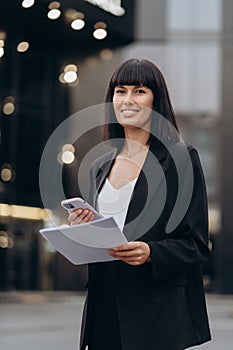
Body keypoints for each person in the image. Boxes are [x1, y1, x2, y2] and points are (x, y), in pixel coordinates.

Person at [68, 58, 211, 350]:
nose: (128, 99)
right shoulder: (100, 165)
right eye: (120, 91)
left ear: (156, 101)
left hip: (154, 313)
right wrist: (83, 228)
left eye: (139, 91)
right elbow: (105, 235)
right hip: (103, 307)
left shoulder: (181, 160)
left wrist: (151, 252)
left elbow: (196, 244)